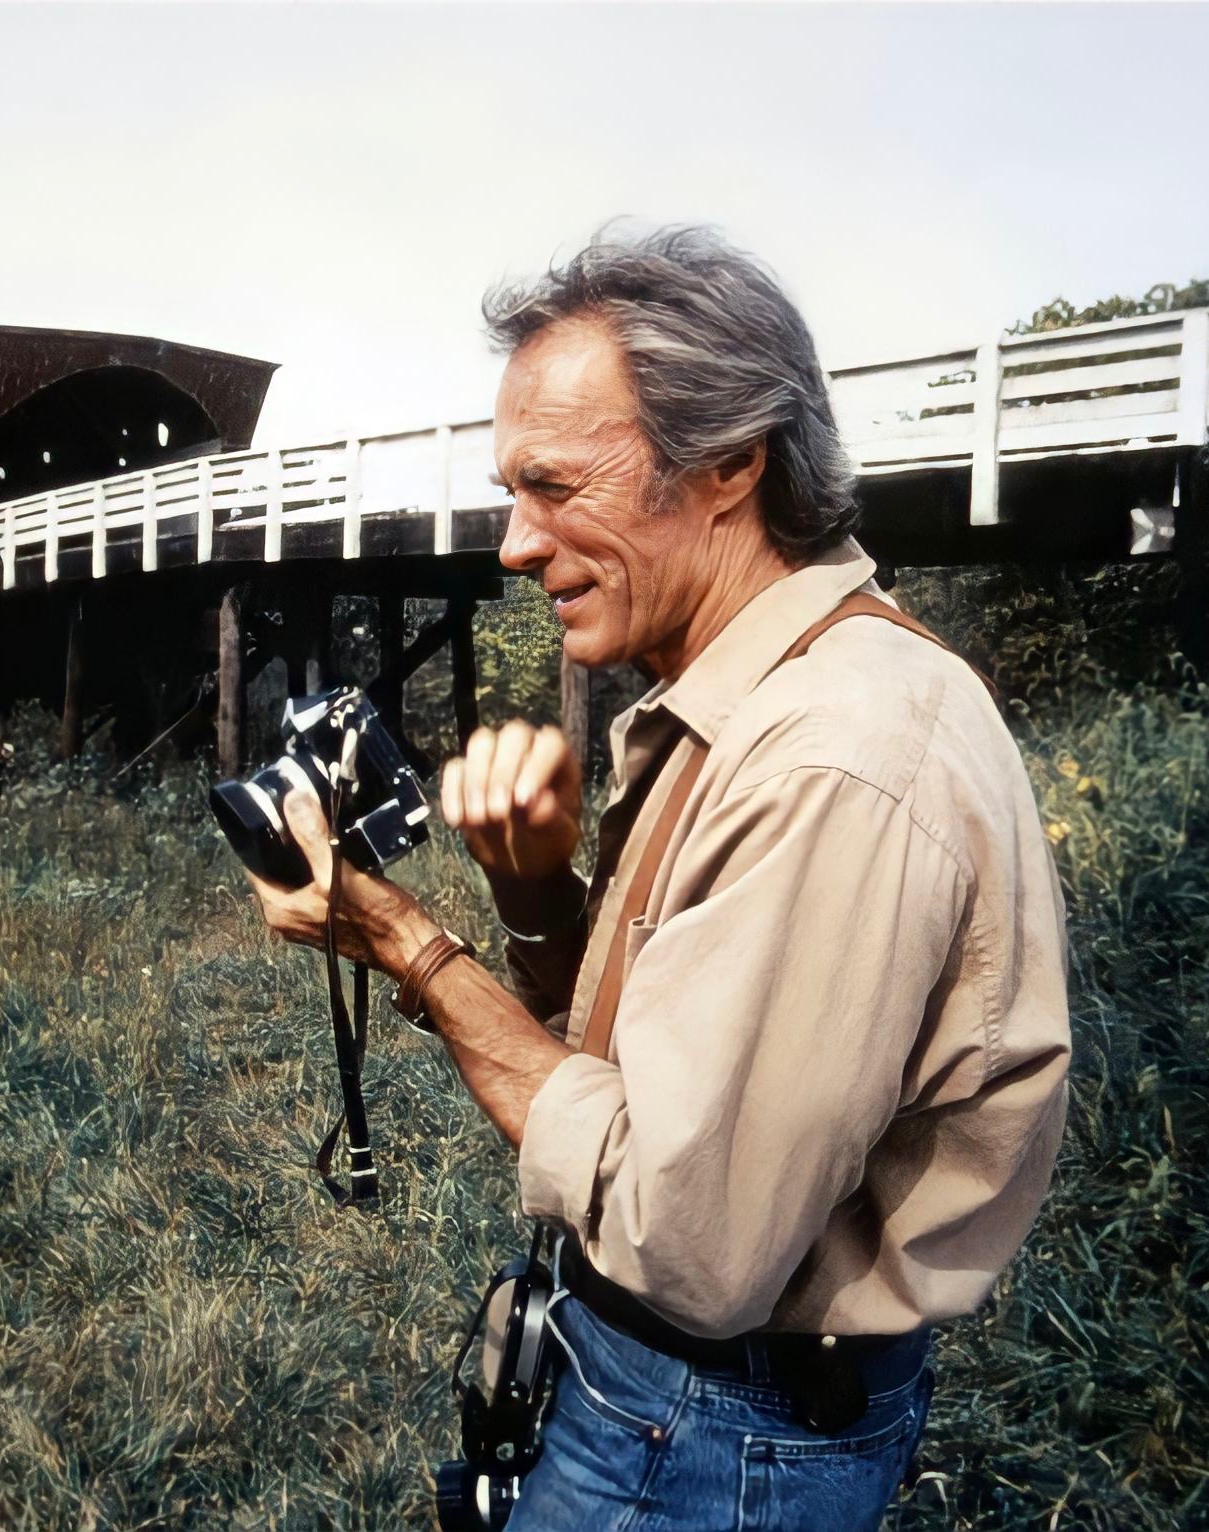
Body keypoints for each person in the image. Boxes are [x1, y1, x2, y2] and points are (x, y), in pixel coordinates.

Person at [247, 226, 1070, 1530]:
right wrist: (532, 894)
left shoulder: (832, 761)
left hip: (712, 1436)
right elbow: (662, 1068)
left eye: (555, 486)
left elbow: (692, 1244)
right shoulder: (762, 698)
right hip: (676, 1402)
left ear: (731, 461)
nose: (515, 545)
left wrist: (406, 942)